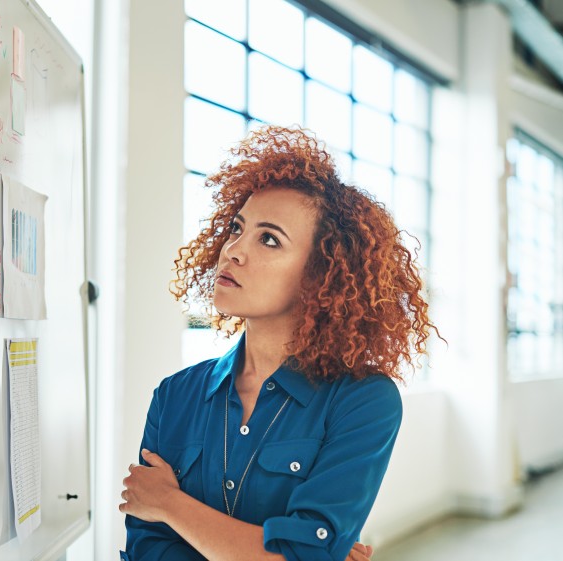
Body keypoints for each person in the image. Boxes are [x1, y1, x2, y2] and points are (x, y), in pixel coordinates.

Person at [118, 126, 441, 561]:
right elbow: (148, 550)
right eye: (237, 227)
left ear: (319, 275)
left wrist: (170, 504)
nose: (232, 249)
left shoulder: (364, 401)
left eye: (269, 239)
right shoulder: (174, 396)